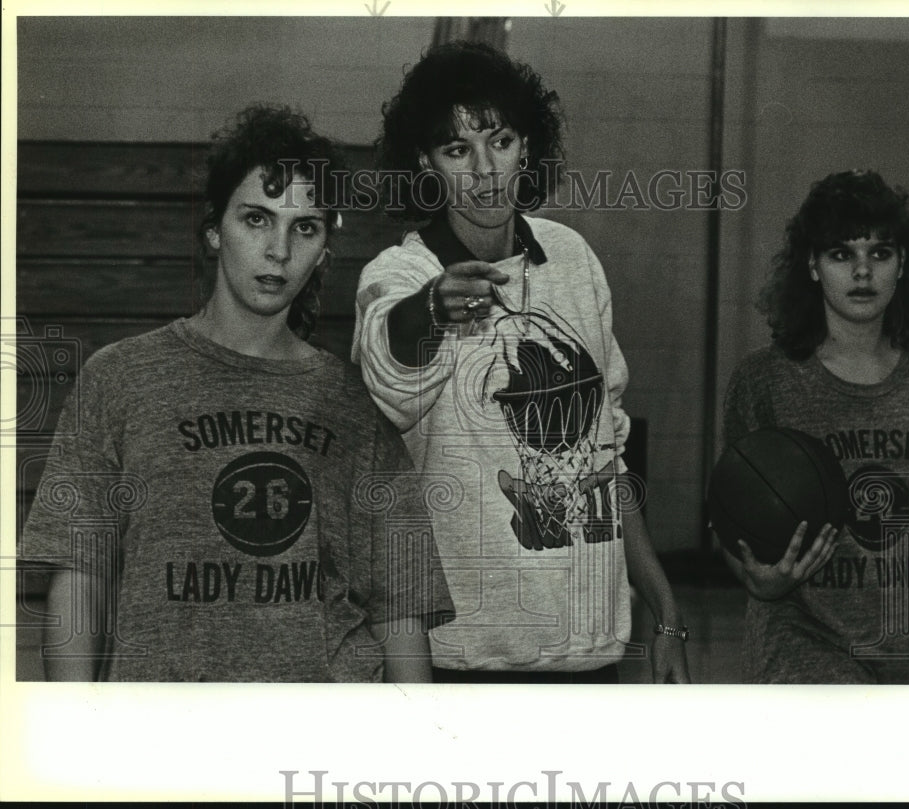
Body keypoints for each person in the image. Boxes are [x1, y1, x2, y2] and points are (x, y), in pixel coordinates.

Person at [20, 104, 454, 682]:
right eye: (257, 219)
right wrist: (71, 739)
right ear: (212, 230)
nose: (279, 250)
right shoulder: (118, 379)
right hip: (165, 744)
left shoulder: (354, 407)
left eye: (305, 227)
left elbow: (399, 610)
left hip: (323, 745)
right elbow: (81, 576)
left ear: (325, 247)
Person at [352, 41, 690, 683]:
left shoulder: (573, 258)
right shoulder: (401, 273)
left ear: (525, 147)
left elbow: (607, 455)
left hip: (590, 650)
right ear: (426, 163)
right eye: (457, 150)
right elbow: (386, 356)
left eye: (498, 141)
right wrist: (430, 309)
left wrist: (665, 608)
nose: (483, 170)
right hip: (466, 656)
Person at [721, 169, 909, 684]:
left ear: (902, 263)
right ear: (813, 267)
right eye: (842, 254)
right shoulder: (765, 381)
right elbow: (733, 516)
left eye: (879, 253)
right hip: (803, 641)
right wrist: (759, 578)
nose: (862, 272)